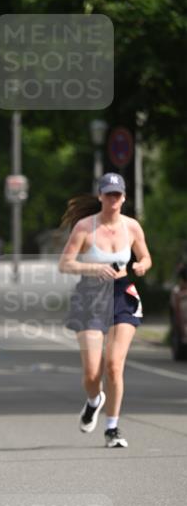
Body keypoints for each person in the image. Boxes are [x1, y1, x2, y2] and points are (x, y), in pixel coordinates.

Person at [58, 172, 151, 448]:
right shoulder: (85, 228)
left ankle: (112, 428)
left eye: (117, 195)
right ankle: (93, 400)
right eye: (108, 194)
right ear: (100, 196)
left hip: (122, 294)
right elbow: (65, 264)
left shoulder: (132, 227)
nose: (113, 199)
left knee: (114, 365)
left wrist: (142, 265)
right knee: (91, 373)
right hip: (90, 295)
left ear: (123, 197)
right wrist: (94, 268)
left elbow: (145, 255)